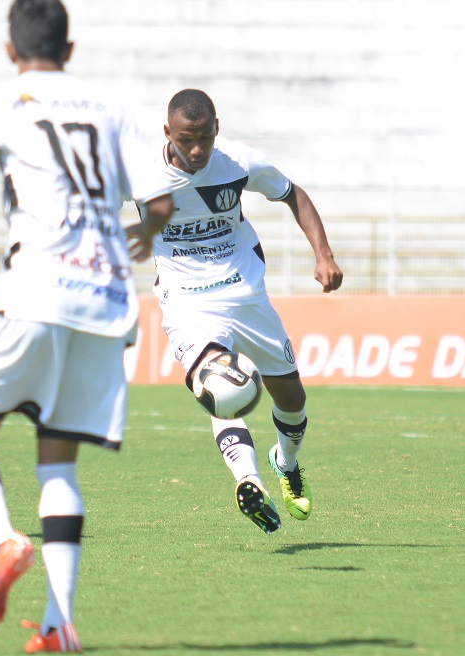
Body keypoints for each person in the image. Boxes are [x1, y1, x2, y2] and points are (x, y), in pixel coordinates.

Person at [0, 0, 173, 652]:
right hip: (105, 302)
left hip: (34, 289)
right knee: (58, 465)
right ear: (69, 49)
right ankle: (60, 625)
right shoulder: (114, 106)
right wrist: (144, 235)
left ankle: (3, 543)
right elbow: (158, 202)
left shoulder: (0, 100)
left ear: (12, 50)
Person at [141, 89, 343, 534]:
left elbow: (294, 195)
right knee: (219, 384)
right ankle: (248, 481)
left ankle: (285, 464)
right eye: (185, 140)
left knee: (292, 399)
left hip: (247, 293)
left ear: (218, 128)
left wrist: (323, 254)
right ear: (167, 133)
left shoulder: (238, 162)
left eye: (205, 138)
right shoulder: (139, 175)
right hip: (188, 300)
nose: (196, 150)